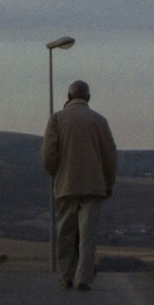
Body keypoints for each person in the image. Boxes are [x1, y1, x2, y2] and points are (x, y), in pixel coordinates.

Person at [41, 79, 118, 290]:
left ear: (68, 97)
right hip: (94, 186)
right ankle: (84, 277)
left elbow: (48, 155)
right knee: (87, 234)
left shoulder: (57, 119)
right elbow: (110, 156)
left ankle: (66, 275)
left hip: (66, 185)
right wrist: (108, 183)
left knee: (65, 232)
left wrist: (57, 173)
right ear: (88, 97)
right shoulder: (99, 120)